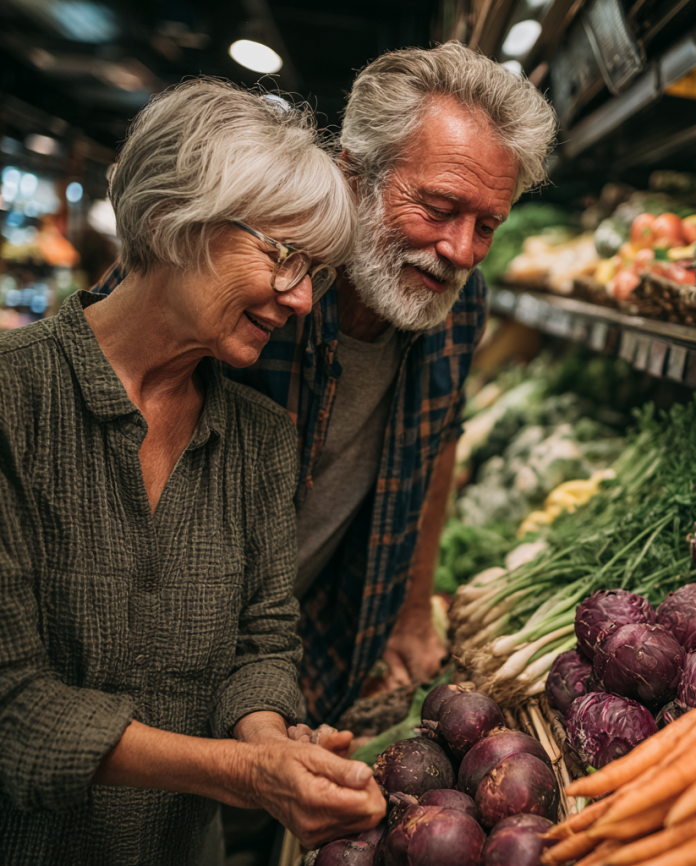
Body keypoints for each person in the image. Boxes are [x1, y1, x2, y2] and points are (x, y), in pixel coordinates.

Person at [95, 42, 559, 727]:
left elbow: (437, 445)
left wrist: (410, 609)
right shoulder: (238, 268)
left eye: (487, 224)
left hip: (298, 665)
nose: (462, 250)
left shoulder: (458, 307)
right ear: (353, 172)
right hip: (135, 659)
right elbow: (95, 381)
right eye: (437, 207)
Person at [0, 79, 385, 866]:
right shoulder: (15, 400)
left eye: (315, 269)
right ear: (178, 218)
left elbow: (263, 644)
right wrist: (244, 774)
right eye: (283, 254)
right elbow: (13, 709)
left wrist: (273, 744)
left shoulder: (257, 441)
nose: (304, 297)